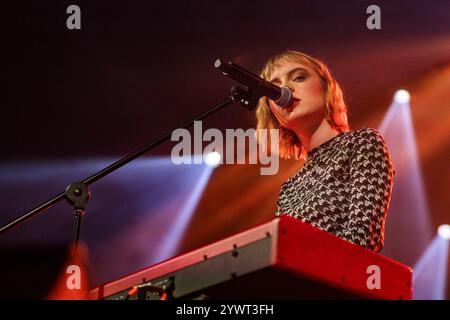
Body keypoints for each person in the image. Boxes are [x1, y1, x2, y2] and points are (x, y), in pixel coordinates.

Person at [255, 50, 394, 252]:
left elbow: (363, 238)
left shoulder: (361, 143)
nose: (285, 89)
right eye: (274, 88)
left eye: (299, 77)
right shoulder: (290, 188)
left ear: (326, 88)